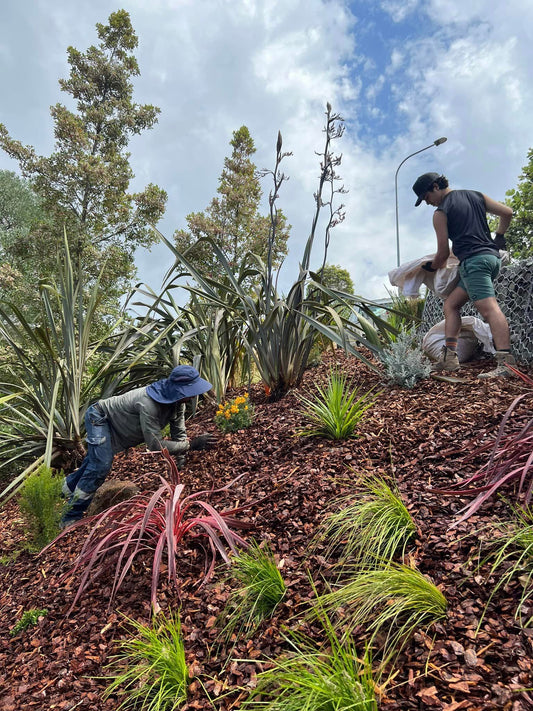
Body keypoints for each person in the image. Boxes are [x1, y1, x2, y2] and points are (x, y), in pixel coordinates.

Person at [61, 365, 216, 527]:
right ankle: (70, 517)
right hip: (100, 417)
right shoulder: (147, 403)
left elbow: (179, 432)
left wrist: (180, 464)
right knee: (100, 465)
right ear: (178, 390)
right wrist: (191, 445)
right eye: (190, 392)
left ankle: (64, 490)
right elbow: (155, 445)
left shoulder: (178, 403)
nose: (193, 397)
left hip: (118, 425)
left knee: (95, 461)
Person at [412, 172, 515, 378]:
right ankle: (450, 358)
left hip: (474, 262)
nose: (427, 203)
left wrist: (430, 268)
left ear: (435, 187)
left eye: (426, 197)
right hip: (491, 259)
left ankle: (506, 364)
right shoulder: (476, 195)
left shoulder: (441, 213)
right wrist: (499, 236)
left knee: (489, 309)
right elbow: (508, 212)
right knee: (451, 304)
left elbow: (442, 253)